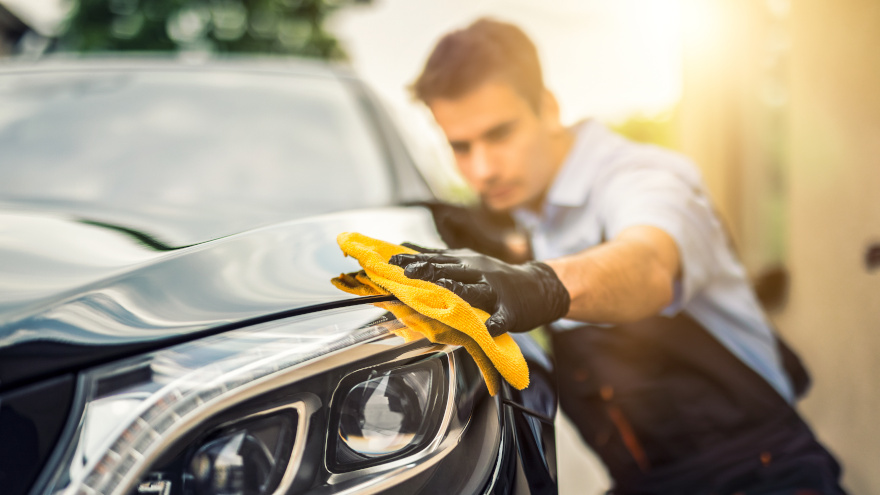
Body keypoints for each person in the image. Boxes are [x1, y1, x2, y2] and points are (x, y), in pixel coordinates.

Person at [389, 18, 845, 495]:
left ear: (547, 107)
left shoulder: (644, 177)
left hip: (762, 473)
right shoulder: (531, 215)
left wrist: (539, 285)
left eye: (500, 134)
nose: (482, 168)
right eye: (460, 147)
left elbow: (646, 264)